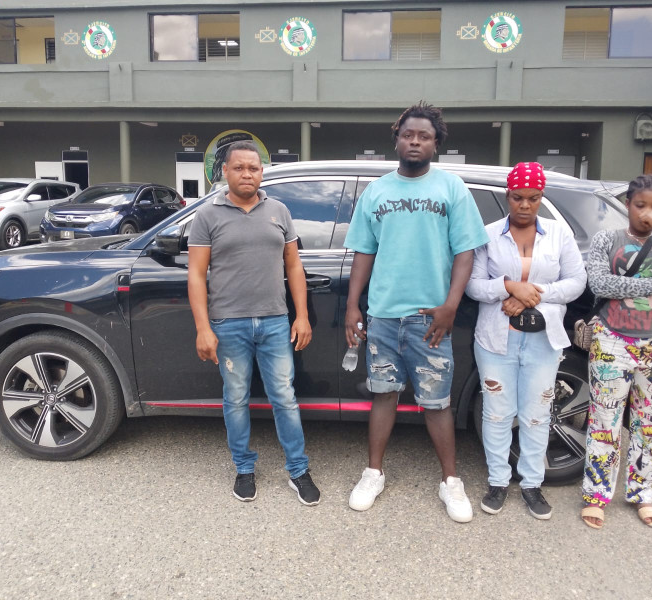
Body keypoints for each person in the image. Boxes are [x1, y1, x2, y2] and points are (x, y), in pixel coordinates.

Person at [344, 102, 489, 522]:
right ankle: (373, 473)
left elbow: (465, 252)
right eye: (408, 134)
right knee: (383, 394)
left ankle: (451, 481)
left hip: (430, 319)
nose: (415, 142)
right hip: (383, 315)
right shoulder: (377, 192)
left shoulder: (451, 189)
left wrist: (450, 306)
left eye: (424, 136)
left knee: (437, 402)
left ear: (436, 144)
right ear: (396, 139)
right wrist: (353, 304)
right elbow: (364, 252)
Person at [187, 140, 320, 506]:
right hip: (228, 323)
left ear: (262, 172)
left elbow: (294, 266)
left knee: (285, 398)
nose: (247, 174)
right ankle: (244, 468)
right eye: (239, 167)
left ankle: (298, 470)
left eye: (254, 168)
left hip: (275, 321)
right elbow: (196, 275)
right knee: (235, 399)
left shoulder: (279, 210)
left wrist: (302, 316)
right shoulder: (207, 215)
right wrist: (203, 328)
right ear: (225, 172)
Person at [466, 162, 587, 520]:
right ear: (508, 196)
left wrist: (533, 294)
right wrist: (507, 286)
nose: (525, 205)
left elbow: (576, 281)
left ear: (541, 197)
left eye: (533, 198)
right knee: (497, 413)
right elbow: (473, 285)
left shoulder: (559, 234)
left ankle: (532, 484)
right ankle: (498, 481)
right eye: (518, 197)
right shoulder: (488, 235)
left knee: (536, 414)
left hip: (543, 341)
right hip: (495, 341)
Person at [580, 174, 652, 529]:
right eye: (640, 205)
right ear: (627, 204)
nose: (647, 213)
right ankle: (597, 494)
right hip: (613, 340)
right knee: (604, 421)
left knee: (650, 424)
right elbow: (600, 283)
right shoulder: (606, 239)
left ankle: (643, 493)